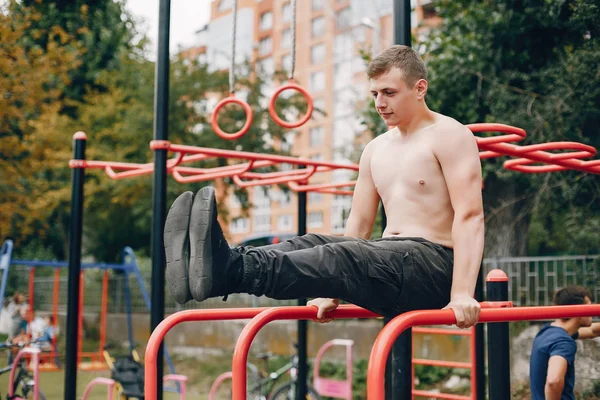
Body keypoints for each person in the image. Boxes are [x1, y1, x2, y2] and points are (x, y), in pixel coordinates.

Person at [163, 45, 484, 328]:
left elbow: (470, 216)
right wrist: (331, 293)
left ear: (419, 88)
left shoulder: (450, 135)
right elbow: (358, 224)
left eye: (389, 93)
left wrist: (461, 294)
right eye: (375, 94)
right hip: (389, 264)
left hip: (434, 270)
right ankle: (226, 268)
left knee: (344, 254)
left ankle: (231, 269)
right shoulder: (375, 149)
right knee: (313, 241)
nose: (380, 103)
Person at [529, 286, 600, 400]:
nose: (593, 311)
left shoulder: (547, 331)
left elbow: (593, 331)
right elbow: (553, 381)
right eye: (589, 306)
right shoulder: (563, 342)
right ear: (578, 310)